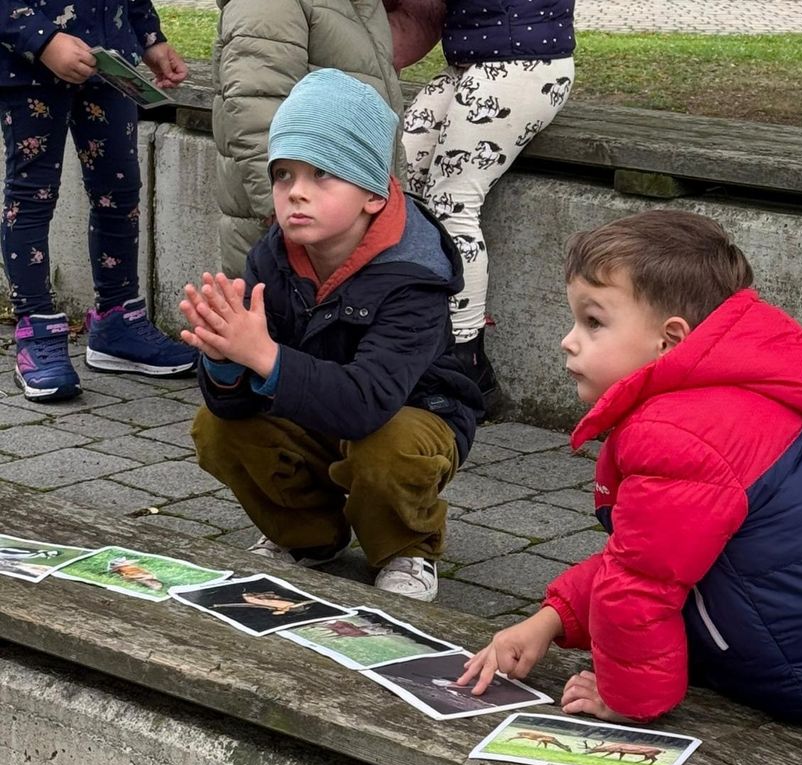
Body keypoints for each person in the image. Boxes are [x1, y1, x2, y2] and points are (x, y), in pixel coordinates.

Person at [458, 209, 802, 723]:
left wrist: (625, 700)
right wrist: (551, 620)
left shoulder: (676, 435)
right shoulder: (732, 401)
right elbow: (653, 553)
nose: (568, 340)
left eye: (593, 322)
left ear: (671, 339)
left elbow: (639, 586)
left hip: (795, 674)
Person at [180, 69, 482, 602]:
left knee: (386, 449)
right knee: (215, 429)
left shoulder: (414, 273)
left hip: (413, 415)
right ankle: (308, 536)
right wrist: (225, 359)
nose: (296, 192)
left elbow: (368, 403)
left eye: (322, 175)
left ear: (371, 193)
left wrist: (264, 356)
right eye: (283, 175)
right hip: (314, 410)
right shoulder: (270, 257)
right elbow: (232, 408)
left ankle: (407, 547)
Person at [1, 0, 197, 402]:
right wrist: (44, 41)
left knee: (120, 192)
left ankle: (117, 322)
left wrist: (150, 38)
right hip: (29, 69)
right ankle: (36, 330)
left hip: (108, 69)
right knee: (32, 197)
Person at [394, 0, 576, 408]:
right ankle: (414, 335)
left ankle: (466, 360)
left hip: (525, 63)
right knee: (400, 182)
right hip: (471, 61)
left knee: (451, 202)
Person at [212, 0, 406, 280]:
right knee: (272, 315)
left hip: (341, 225)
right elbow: (256, 104)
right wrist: (281, 211)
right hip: (293, 235)